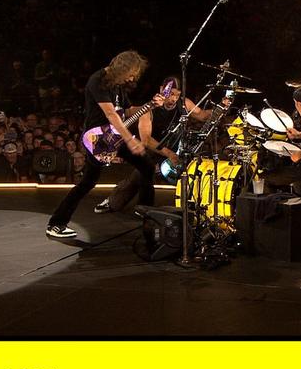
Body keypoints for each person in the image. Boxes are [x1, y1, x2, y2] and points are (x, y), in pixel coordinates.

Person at [46, 50, 160, 239]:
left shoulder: (118, 85)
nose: (132, 78)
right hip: (98, 140)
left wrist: (150, 105)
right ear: (121, 68)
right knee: (88, 182)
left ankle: (145, 212)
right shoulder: (97, 80)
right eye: (130, 74)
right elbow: (111, 114)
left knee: (147, 166)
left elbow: (126, 111)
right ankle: (56, 223)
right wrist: (130, 139)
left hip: (115, 136)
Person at [95, 76, 228, 213]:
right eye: (171, 94)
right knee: (141, 174)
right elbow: (146, 140)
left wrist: (221, 106)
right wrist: (169, 154)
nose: (174, 99)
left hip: (176, 148)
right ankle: (117, 203)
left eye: (177, 95)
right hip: (153, 149)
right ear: (162, 90)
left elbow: (203, 115)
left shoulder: (184, 103)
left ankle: (191, 208)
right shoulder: (149, 108)